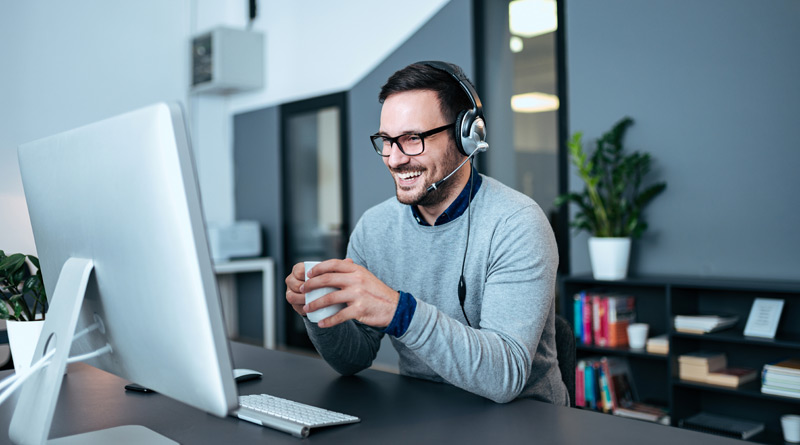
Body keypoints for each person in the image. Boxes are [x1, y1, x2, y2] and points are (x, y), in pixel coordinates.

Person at [285, 61, 567, 405]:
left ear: (466, 136)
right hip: (425, 414)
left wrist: (400, 312)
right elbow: (352, 359)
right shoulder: (374, 228)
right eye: (386, 141)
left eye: (412, 139)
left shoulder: (517, 224)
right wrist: (320, 310)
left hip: (524, 424)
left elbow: (505, 377)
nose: (394, 158)